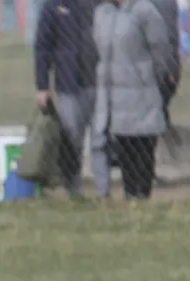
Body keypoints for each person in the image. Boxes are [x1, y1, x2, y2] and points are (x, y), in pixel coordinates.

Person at [93, 0, 172, 200]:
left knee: (143, 147)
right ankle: (130, 196)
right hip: (115, 97)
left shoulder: (145, 11)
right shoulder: (102, 14)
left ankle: (142, 195)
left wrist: (153, 76)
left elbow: (160, 49)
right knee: (124, 149)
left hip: (142, 93)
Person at [33, 0, 103, 198]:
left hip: (99, 82)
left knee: (100, 139)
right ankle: (73, 189)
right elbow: (42, 46)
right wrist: (42, 85)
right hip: (68, 84)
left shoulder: (100, 4)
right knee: (72, 139)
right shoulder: (54, 5)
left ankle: (102, 189)